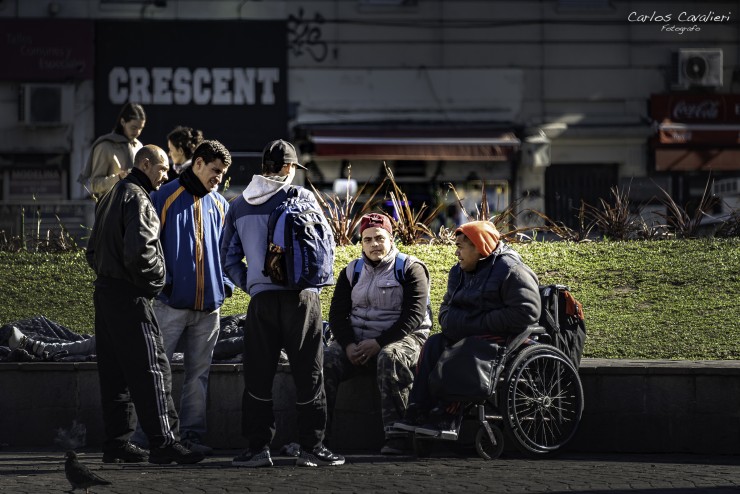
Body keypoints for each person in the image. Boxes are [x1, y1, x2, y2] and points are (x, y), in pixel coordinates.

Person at [221, 139, 344, 468]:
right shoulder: (301, 197)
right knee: (309, 373)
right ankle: (311, 446)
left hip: (262, 302)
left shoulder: (239, 204)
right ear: (289, 167)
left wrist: (252, 284)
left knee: (258, 375)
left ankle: (258, 448)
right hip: (302, 298)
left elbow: (226, 255)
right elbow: (325, 244)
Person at [85, 144, 204, 465]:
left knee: (115, 374)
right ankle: (164, 442)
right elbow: (143, 252)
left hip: (106, 293)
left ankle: (117, 443)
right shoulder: (139, 199)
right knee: (152, 368)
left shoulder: (111, 195)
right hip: (130, 296)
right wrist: (156, 283)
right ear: (147, 164)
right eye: (163, 169)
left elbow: (91, 251)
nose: (166, 175)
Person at [392, 220, 541, 439]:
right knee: (434, 344)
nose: (456, 253)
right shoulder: (458, 272)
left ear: (479, 248)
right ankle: (418, 408)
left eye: (461, 247)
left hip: (505, 338)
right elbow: (445, 310)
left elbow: (527, 312)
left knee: (465, 350)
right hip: (468, 333)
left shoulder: (511, 270)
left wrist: (476, 323)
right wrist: (460, 323)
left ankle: (447, 415)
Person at [147, 139, 233, 455]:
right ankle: (153, 437)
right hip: (169, 305)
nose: (218, 179)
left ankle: (192, 436)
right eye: (215, 171)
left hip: (209, 308)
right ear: (197, 163)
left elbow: (228, 252)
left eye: (222, 174)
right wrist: (162, 286)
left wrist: (224, 286)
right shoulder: (164, 197)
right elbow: (149, 248)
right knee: (158, 371)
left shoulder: (221, 205)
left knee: (199, 376)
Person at [324, 212, 430, 455]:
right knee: (326, 361)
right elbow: (337, 315)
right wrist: (349, 345)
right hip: (359, 341)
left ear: (391, 239)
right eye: (367, 239)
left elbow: (413, 316)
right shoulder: (352, 271)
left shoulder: (410, 269)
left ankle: (398, 436)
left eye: (380, 238)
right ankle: (318, 438)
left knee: (390, 358)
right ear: (361, 242)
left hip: (403, 337)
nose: (374, 244)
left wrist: (379, 343)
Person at [78, 102, 146, 199]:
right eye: (134, 128)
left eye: (141, 128)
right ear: (123, 122)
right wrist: (118, 178)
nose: (137, 132)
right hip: (112, 206)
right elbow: (94, 185)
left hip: (135, 203)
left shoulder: (138, 146)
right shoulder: (105, 146)